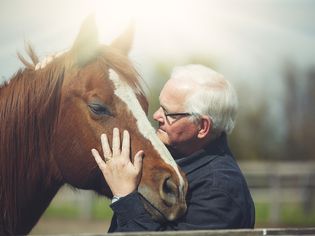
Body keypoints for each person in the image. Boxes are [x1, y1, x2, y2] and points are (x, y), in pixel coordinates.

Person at [92, 64, 255, 232]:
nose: (156, 116)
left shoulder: (219, 191)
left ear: (203, 126)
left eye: (168, 113)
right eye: (160, 106)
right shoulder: (168, 159)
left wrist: (125, 198)